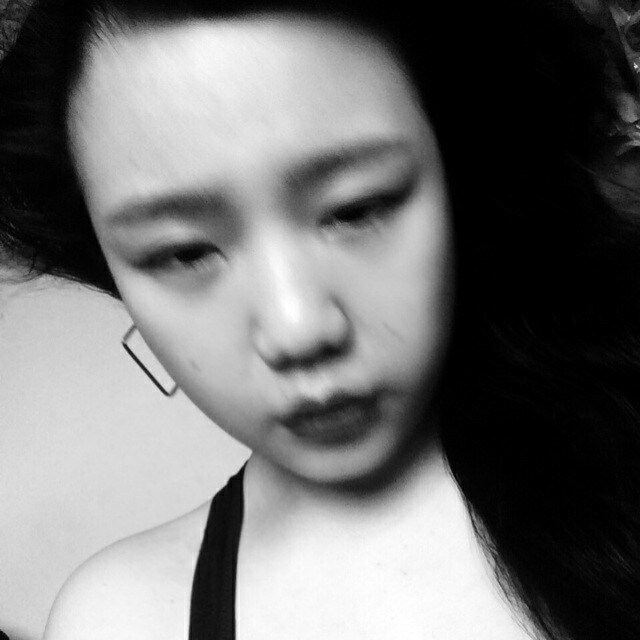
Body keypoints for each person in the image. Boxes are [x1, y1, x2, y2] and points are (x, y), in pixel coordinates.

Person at [1, 0, 639, 639]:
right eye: (184, 252)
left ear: (454, 170)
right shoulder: (121, 620)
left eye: (356, 208)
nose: (297, 330)